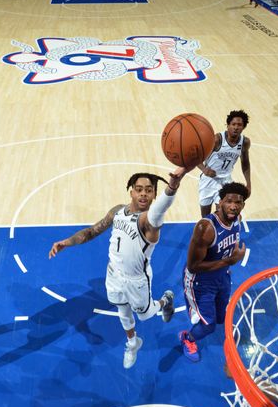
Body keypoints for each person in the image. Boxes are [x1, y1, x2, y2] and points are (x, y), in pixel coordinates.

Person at [48, 167, 192, 369]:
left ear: (154, 195)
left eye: (149, 190)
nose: (143, 193)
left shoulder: (150, 221)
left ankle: (165, 300)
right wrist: (67, 242)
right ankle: (133, 343)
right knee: (122, 310)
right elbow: (91, 231)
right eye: (139, 189)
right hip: (113, 274)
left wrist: (173, 185)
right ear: (131, 191)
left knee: (145, 315)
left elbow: (161, 208)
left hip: (137, 280)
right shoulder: (117, 211)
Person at [180, 182, 249, 362]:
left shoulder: (237, 219)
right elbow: (193, 265)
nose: (233, 206)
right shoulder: (206, 228)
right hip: (199, 282)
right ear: (220, 203)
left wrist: (226, 264)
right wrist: (229, 261)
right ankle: (187, 338)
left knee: (221, 317)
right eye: (229, 201)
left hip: (222, 275)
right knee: (208, 325)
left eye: (238, 202)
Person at [196, 110, 252, 218]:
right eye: (233, 124)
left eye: (239, 125)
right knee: (206, 217)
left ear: (244, 127)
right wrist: (204, 169)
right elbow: (196, 157)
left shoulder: (244, 142)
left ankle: (225, 233)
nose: (236, 127)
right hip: (208, 180)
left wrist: (248, 183)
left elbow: (245, 163)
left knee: (224, 215)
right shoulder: (217, 140)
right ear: (228, 125)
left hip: (226, 181)